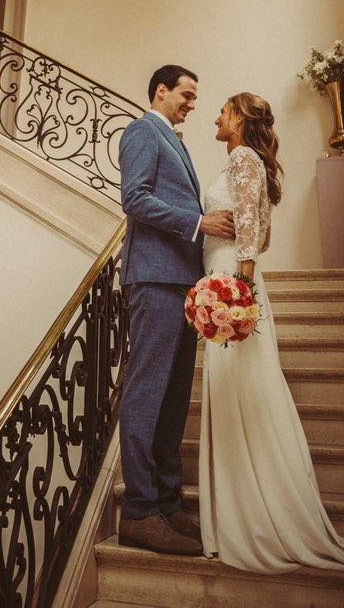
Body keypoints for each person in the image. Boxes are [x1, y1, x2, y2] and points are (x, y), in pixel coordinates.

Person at [199, 92, 344, 573]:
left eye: (224, 111)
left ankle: (249, 517)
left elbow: (249, 236)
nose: (216, 117)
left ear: (240, 120)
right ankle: (244, 507)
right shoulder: (251, 161)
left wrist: (237, 293)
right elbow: (263, 235)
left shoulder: (242, 158)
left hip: (230, 284)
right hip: (231, 279)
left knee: (238, 388)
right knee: (239, 388)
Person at [117, 64, 235, 556]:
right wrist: (198, 222)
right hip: (154, 277)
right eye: (186, 94)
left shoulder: (176, 141)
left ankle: (167, 504)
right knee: (147, 393)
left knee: (172, 400)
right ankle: (139, 512)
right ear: (160, 91)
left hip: (183, 283)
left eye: (194, 97)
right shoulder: (142, 131)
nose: (192, 104)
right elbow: (134, 198)